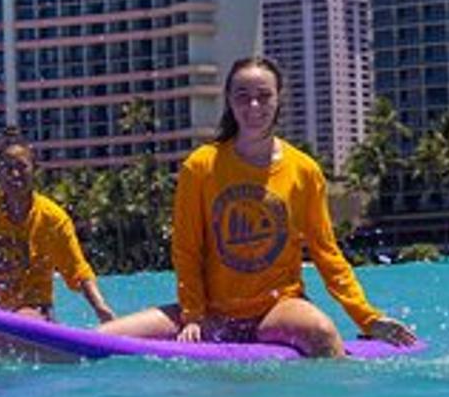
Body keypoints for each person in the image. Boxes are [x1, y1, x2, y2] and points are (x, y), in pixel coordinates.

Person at [101, 56, 417, 357]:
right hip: (212, 314)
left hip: (277, 310)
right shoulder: (201, 167)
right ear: (229, 100)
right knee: (102, 340)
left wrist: (367, 318)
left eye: (264, 96)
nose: (254, 106)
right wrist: (194, 315)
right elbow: (187, 249)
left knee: (321, 332)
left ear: (279, 99)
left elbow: (327, 254)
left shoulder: (303, 171)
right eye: (243, 96)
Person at [0, 131, 116, 323]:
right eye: (7, 168)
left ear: (34, 170)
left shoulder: (53, 219)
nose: (15, 174)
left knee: (24, 317)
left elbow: (78, 270)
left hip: (36, 312)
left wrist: (100, 307)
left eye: (22, 167)